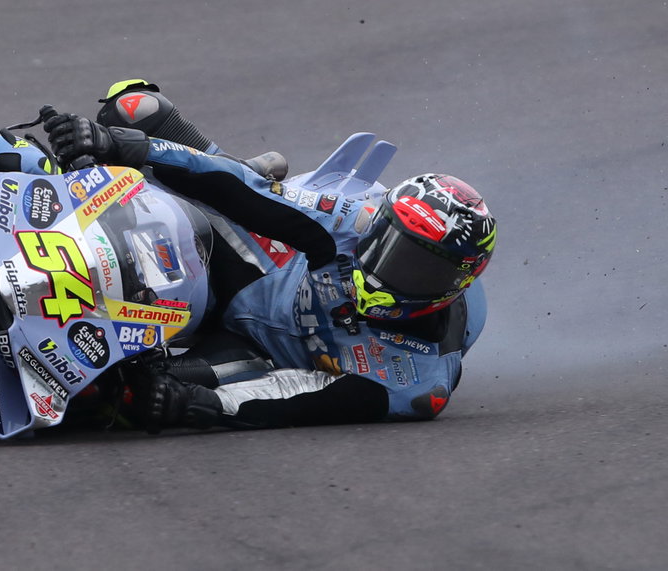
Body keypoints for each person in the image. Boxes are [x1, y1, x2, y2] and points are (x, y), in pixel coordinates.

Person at [43, 79, 497, 431]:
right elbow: (249, 195)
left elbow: (300, 397)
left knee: (129, 398)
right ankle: (42, 187)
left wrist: (205, 406)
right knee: (134, 109)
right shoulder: (353, 223)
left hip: (267, 354)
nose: (386, 264)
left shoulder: (416, 383)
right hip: (269, 263)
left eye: (416, 267)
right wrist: (122, 145)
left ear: (453, 285)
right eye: (389, 242)